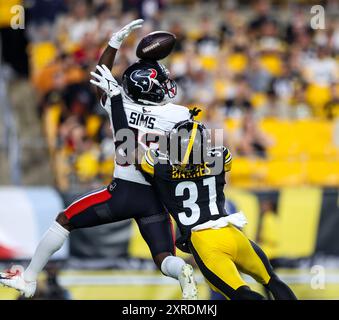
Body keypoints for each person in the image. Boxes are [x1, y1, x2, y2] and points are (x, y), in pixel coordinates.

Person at [0, 19, 197, 300]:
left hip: (123, 193)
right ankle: (182, 273)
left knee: (64, 220)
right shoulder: (179, 115)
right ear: (153, 90)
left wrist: (113, 45)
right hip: (157, 198)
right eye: (162, 82)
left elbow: (100, 80)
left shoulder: (121, 105)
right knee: (163, 256)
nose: (167, 85)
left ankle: (29, 278)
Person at [100, 75, 297, 300]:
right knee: (272, 280)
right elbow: (210, 151)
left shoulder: (161, 168)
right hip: (231, 232)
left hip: (204, 241)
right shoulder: (219, 157)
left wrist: (117, 102)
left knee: (242, 295)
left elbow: (128, 147)